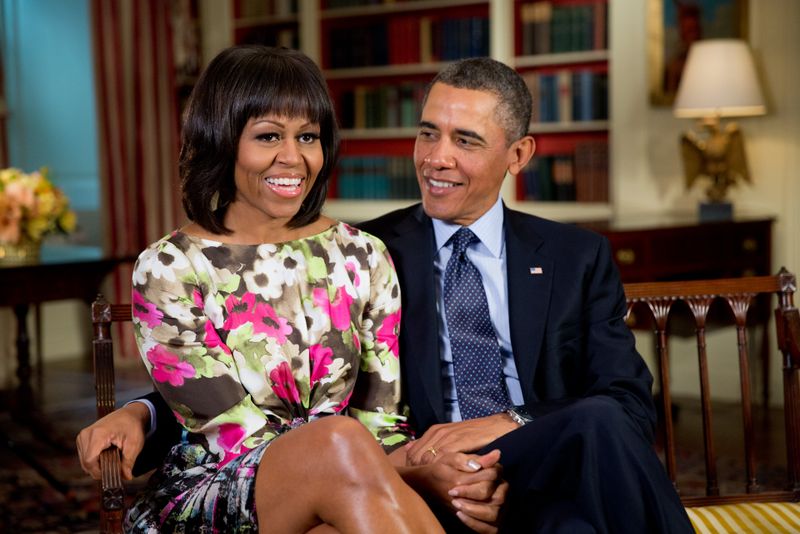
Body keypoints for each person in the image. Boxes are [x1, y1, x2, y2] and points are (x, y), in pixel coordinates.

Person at [79, 55, 694, 533]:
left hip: (497, 458)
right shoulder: (377, 245)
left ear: (518, 155)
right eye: (429, 134)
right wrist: (144, 411)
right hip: (373, 472)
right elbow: (239, 385)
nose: (438, 159)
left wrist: (498, 427)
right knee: (344, 444)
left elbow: (626, 403)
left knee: (598, 427)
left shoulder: (562, 256)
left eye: (466, 141)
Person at [85, 44, 508, 533]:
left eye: (307, 136)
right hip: (220, 488)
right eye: (268, 136)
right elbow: (233, 436)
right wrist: (383, 466)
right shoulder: (168, 267)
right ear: (223, 140)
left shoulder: (362, 254)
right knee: (337, 443)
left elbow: (382, 423)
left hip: (352, 479)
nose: (293, 158)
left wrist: (429, 469)